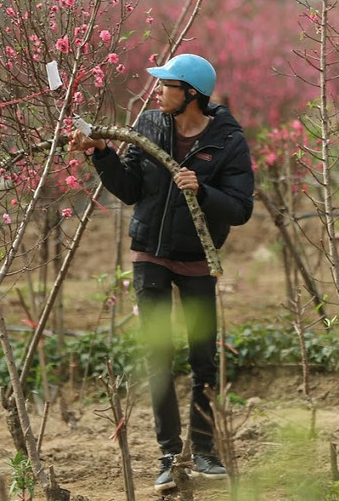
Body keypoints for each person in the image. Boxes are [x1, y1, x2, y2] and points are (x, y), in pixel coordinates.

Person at [69, 53, 255, 492]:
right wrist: (101, 154)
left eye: (166, 85)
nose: (157, 91)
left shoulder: (228, 141)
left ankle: (205, 453)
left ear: (191, 93)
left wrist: (203, 191)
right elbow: (131, 189)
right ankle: (170, 456)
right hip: (149, 253)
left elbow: (241, 207)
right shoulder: (150, 125)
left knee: (203, 359)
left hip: (197, 260)